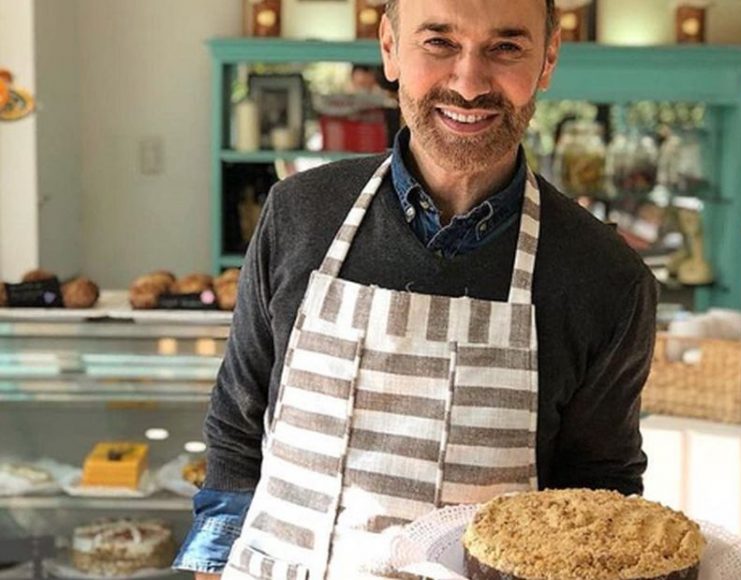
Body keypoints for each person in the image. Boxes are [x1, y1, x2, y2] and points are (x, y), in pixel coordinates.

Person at [174, 0, 658, 577]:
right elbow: (236, 426)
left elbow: (600, 496)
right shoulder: (298, 213)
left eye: (506, 47)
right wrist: (212, 567)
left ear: (548, 59)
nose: (469, 84)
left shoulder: (606, 277)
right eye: (439, 43)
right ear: (389, 47)